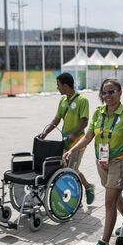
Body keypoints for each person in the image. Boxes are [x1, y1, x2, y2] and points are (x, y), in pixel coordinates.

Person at [63, 79, 123, 245]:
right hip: (102, 161)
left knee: (109, 202)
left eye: (111, 91)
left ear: (120, 92)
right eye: (104, 93)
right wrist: (72, 149)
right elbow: (89, 135)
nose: (107, 96)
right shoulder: (99, 113)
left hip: (120, 162)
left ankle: (104, 244)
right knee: (114, 195)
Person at [38, 73, 95, 205]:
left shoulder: (82, 100)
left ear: (65, 85)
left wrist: (74, 134)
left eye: (58, 85)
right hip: (65, 142)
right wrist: (45, 132)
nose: (57, 88)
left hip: (78, 142)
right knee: (67, 168)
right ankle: (88, 187)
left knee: (71, 170)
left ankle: (74, 199)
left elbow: (84, 122)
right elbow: (57, 119)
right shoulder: (63, 101)